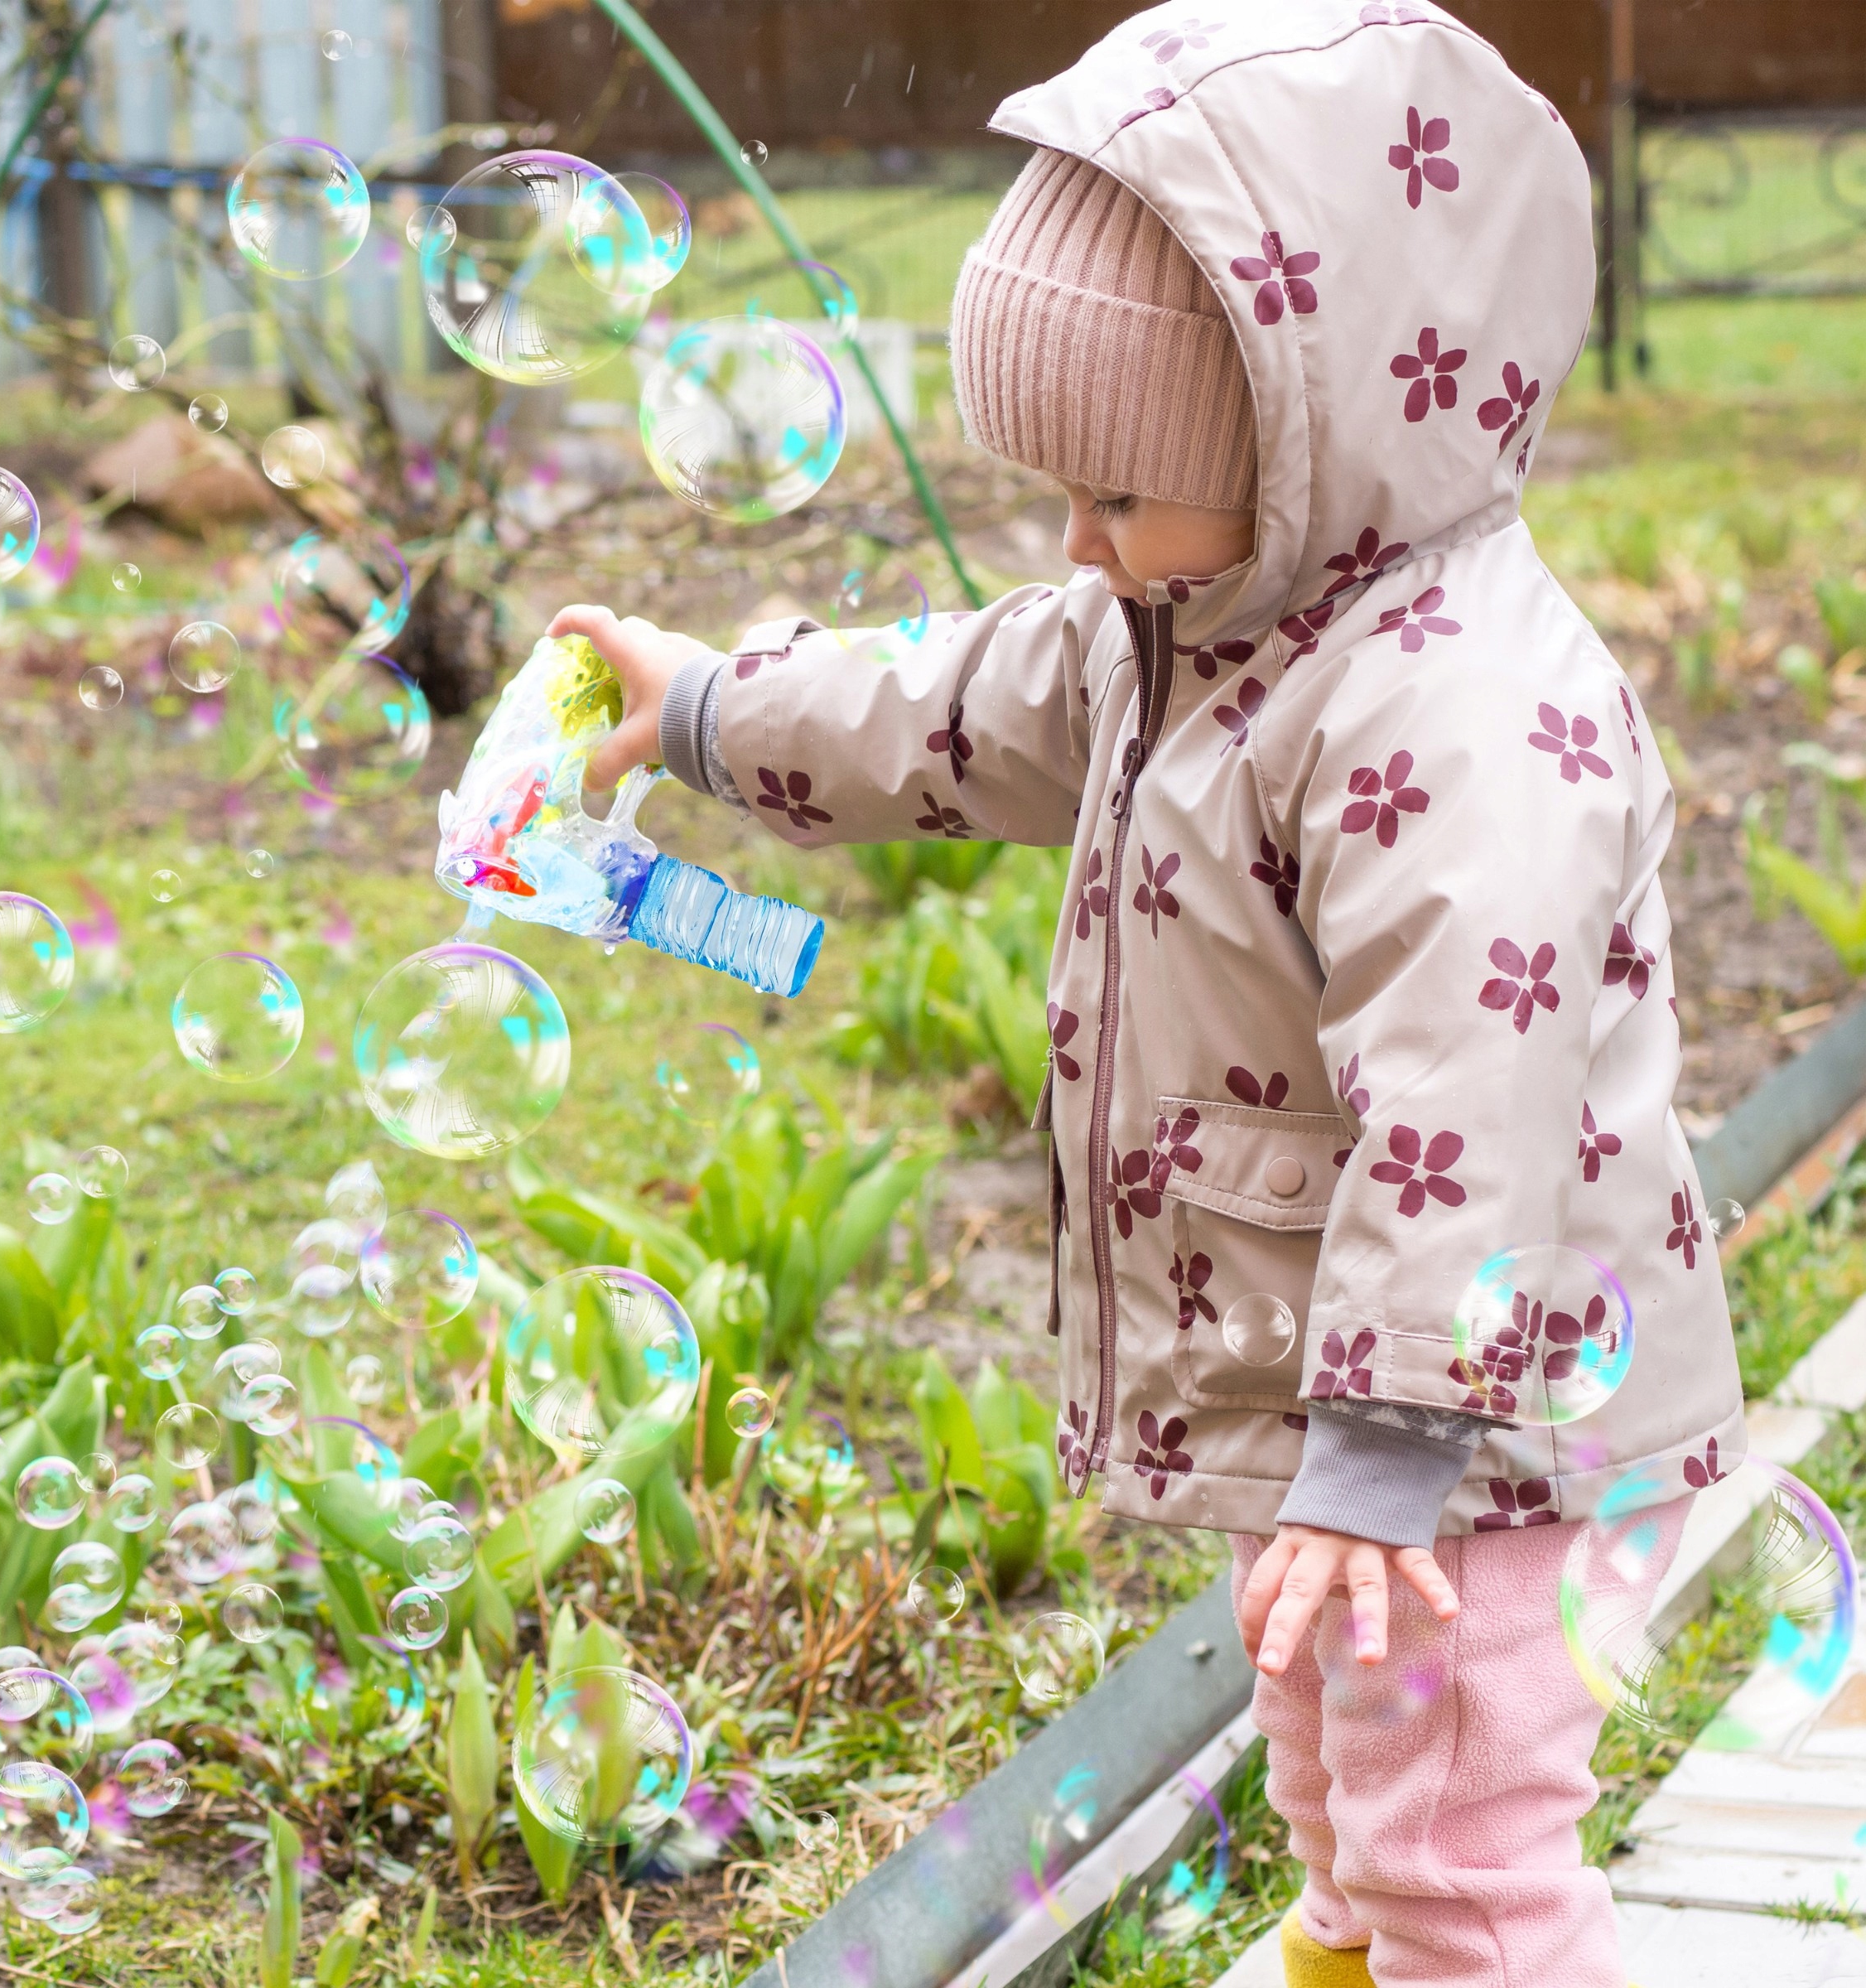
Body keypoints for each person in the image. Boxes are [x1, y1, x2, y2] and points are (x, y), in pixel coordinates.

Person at [550, 5, 1743, 1982]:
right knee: (1347, 1818)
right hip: (1350, 1428)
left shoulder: (1466, 722)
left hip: (1479, 1432)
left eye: (1116, 490)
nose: (1074, 541)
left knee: (1457, 1863)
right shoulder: (1170, 620)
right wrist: (690, 703)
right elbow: (931, 705)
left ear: (1305, 435)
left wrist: (1387, 1457)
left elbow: (1472, 1107)